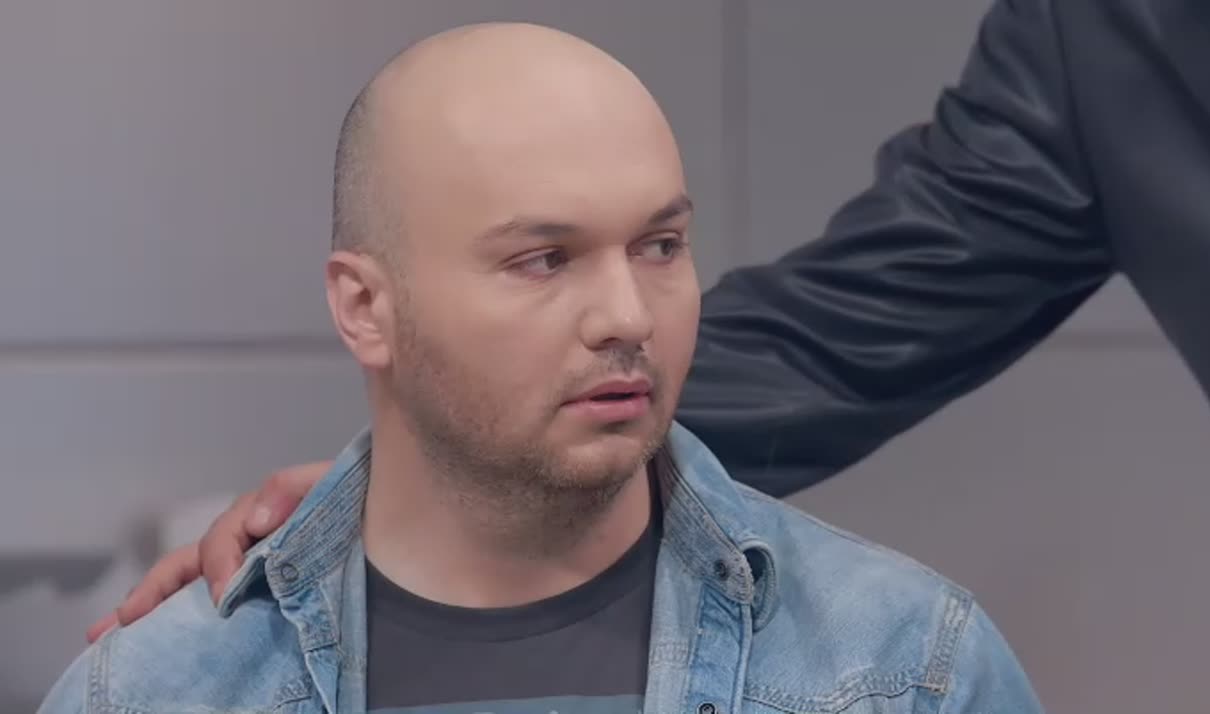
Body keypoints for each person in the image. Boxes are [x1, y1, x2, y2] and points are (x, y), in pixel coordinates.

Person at [41, 22, 1042, 714]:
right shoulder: (158, 692)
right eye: (544, 260)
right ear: (365, 308)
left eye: (660, 246)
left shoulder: (907, 668)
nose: (627, 316)